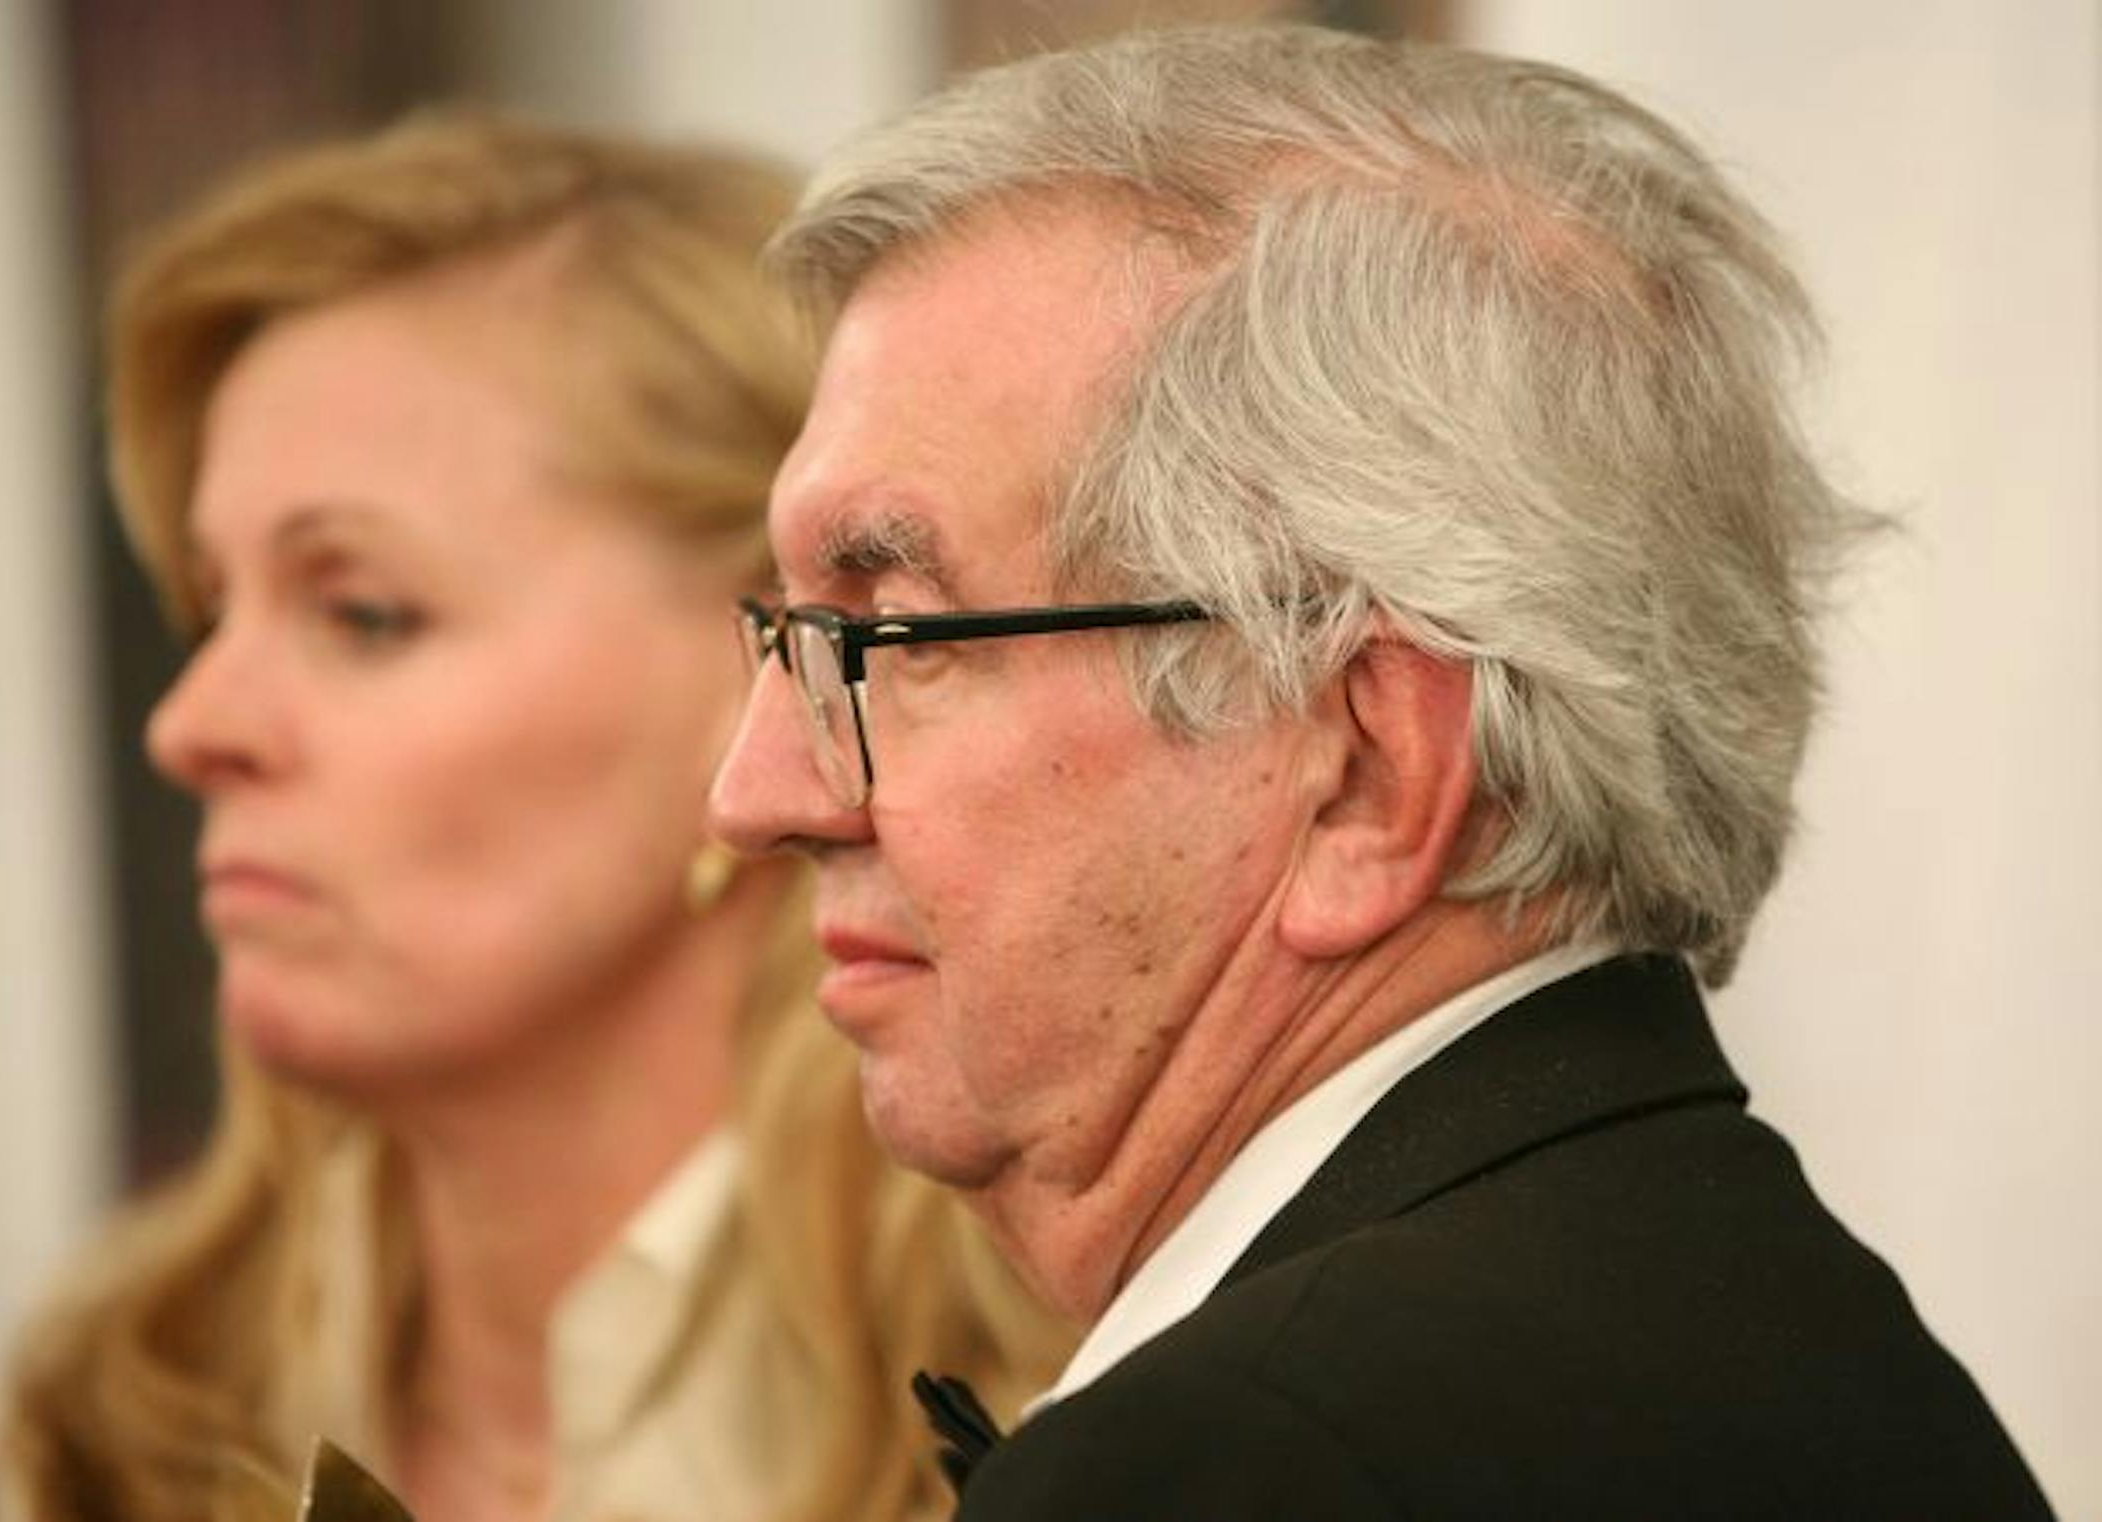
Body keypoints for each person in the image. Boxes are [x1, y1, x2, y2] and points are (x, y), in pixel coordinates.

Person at [708, 25, 2057, 1521]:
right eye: (794, 630)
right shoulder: (1765, 1323)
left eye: (898, 631)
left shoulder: (1246, 1465)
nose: (760, 790)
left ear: (1363, 775)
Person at [0, 114, 1069, 1522]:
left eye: (361, 611)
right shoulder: (130, 1394)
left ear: (775, 649)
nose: (190, 724)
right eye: (210, 607)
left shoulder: (1048, 1414)